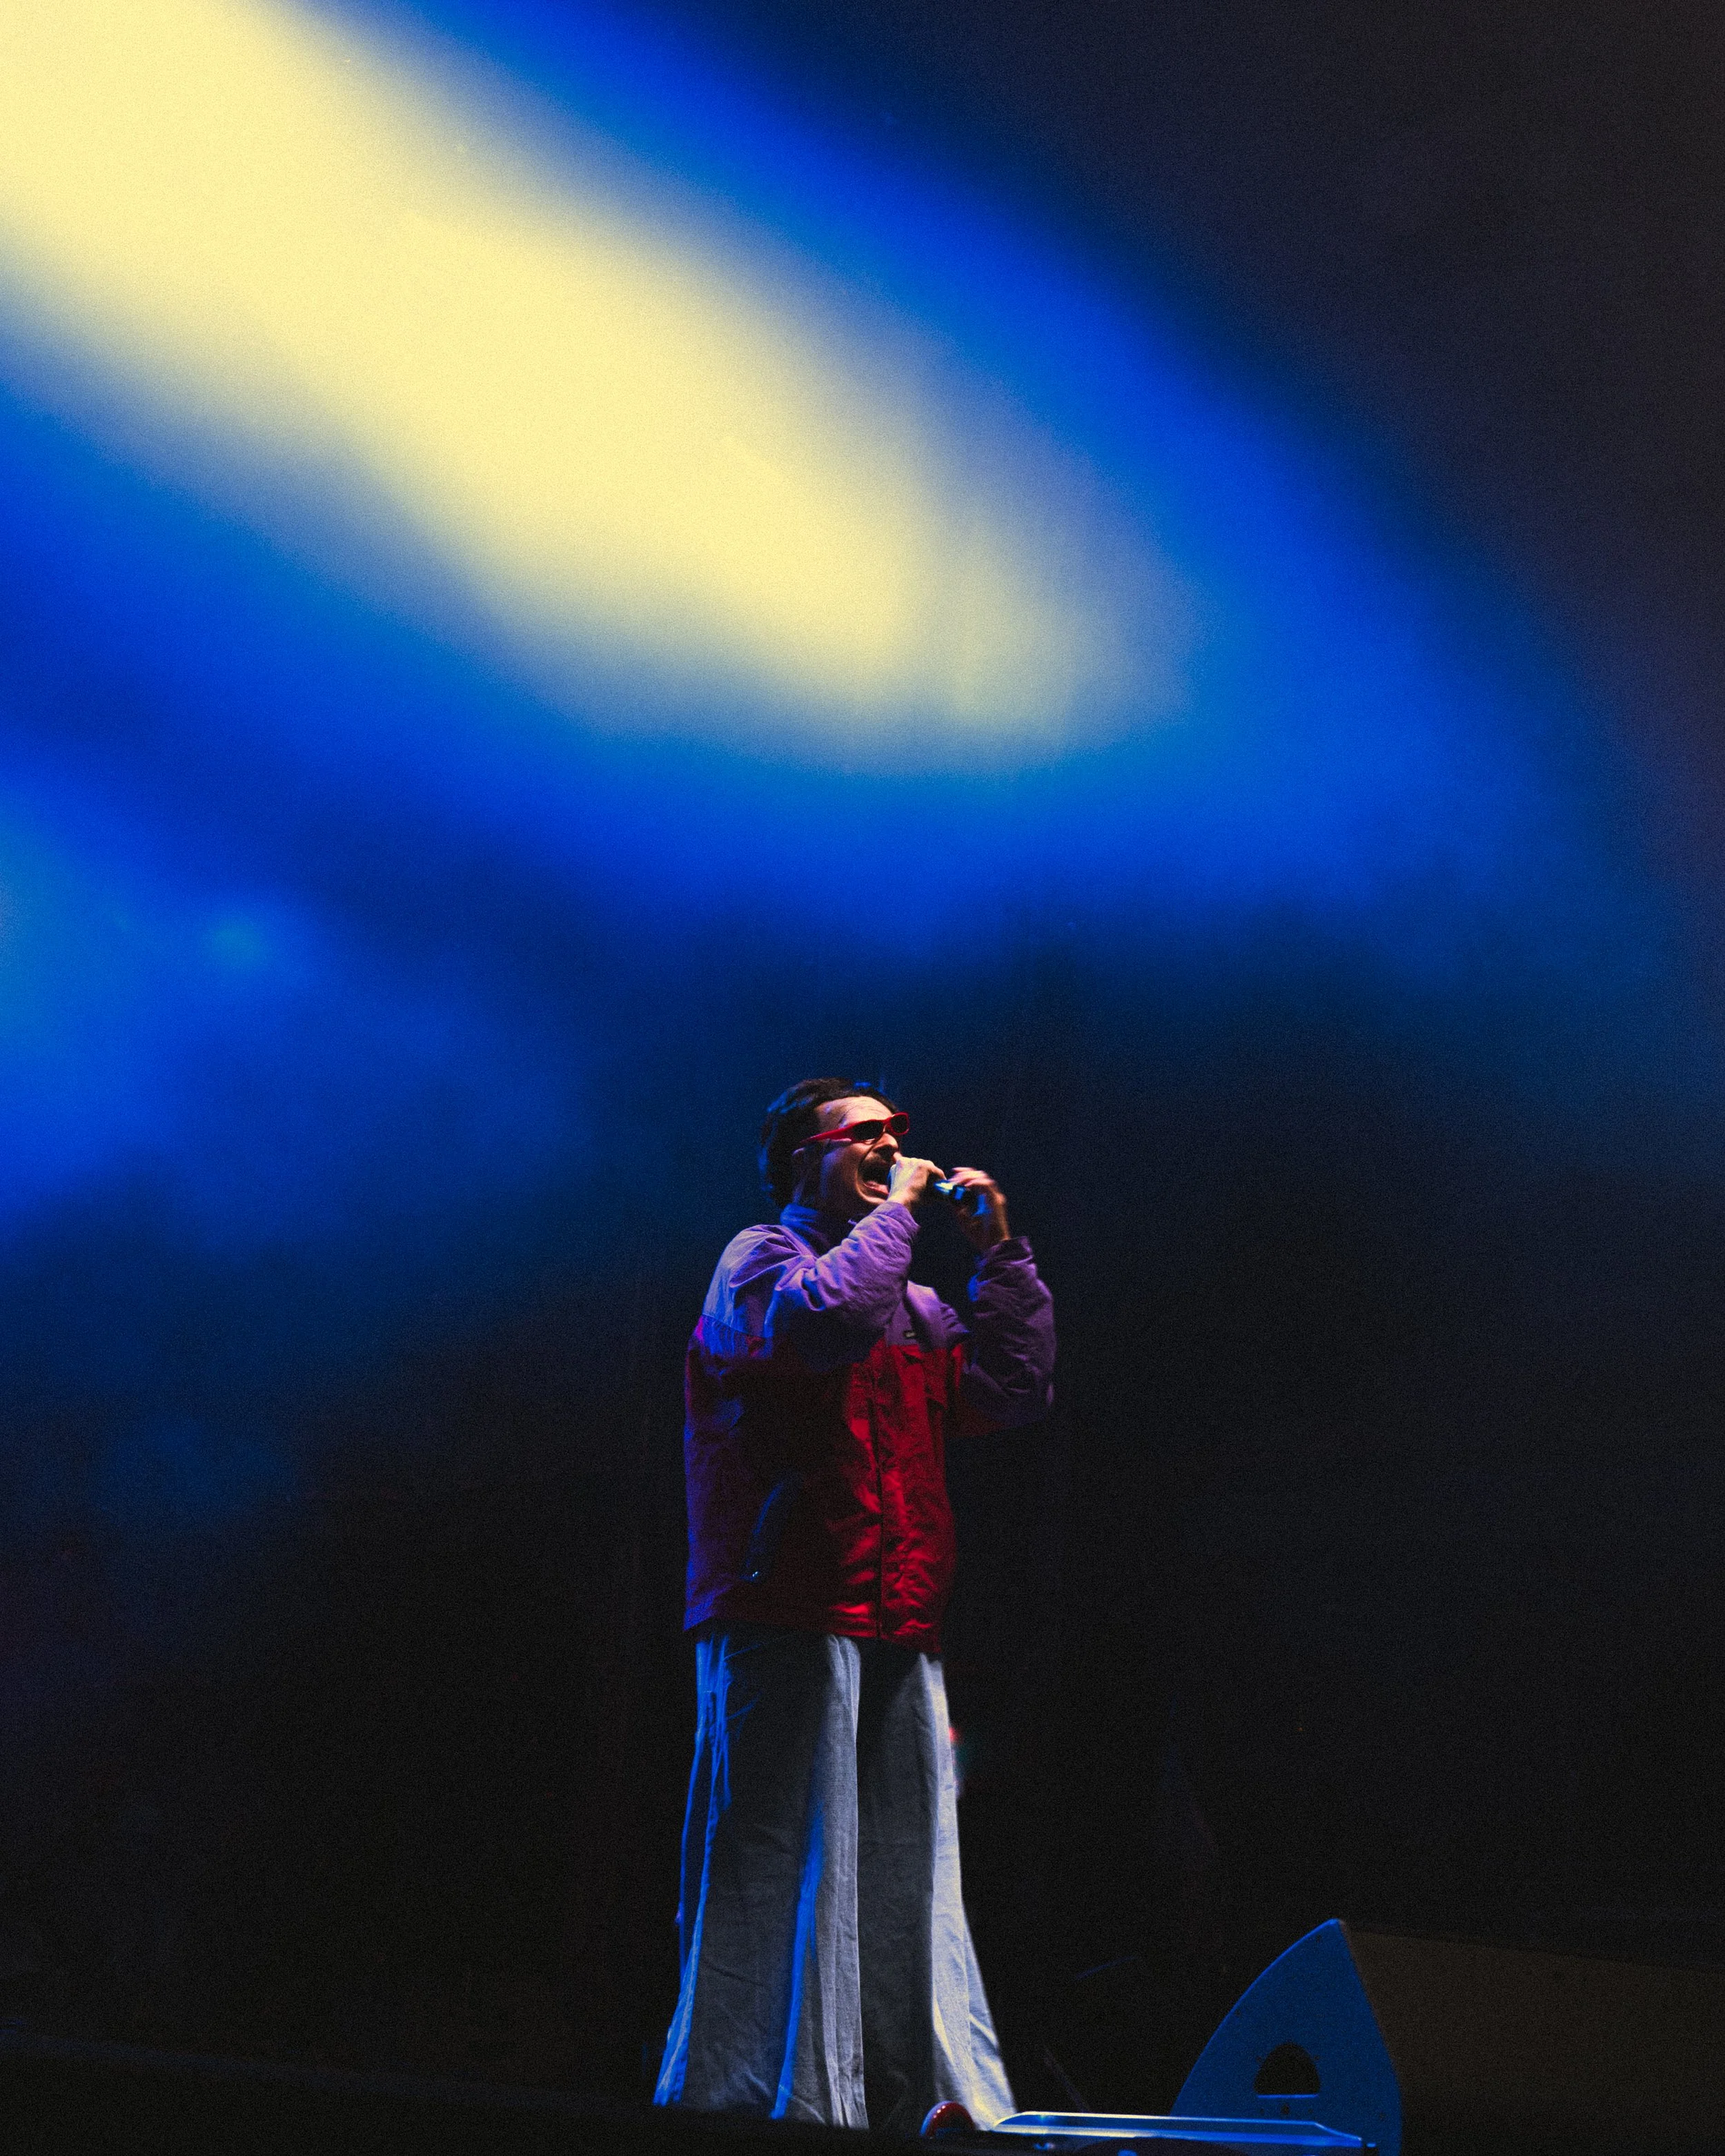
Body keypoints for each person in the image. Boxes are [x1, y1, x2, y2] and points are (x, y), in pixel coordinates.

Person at [654, 1077, 1056, 2130]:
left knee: (904, 1873)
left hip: (897, 1612)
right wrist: (902, 1219)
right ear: (804, 1158)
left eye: (896, 1135)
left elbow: (1011, 1391)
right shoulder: (758, 1261)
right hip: (786, 1598)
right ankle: (743, 2098)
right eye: (864, 1133)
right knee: (772, 1857)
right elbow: (819, 1326)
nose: (890, 1147)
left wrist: (998, 1256)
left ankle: (912, 2093)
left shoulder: (910, 1301)